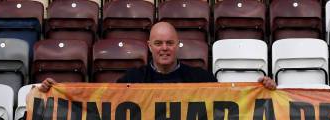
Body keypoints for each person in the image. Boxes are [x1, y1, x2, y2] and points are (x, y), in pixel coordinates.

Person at [37, 22, 277, 91]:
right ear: (149, 46)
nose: (164, 48)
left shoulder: (200, 79)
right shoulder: (132, 80)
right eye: (159, 43)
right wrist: (61, 92)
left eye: (170, 43)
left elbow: (231, 103)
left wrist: (261, 90)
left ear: (177, 45)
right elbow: (99, 101)